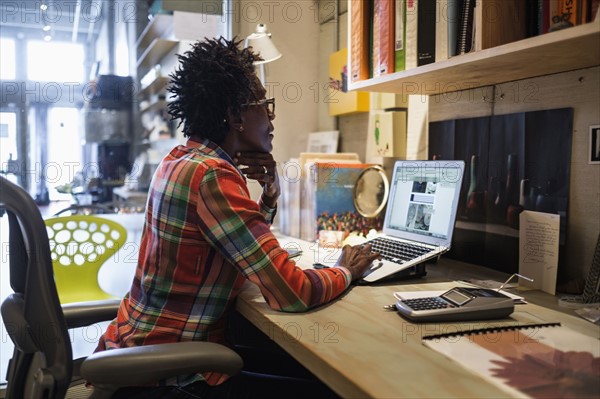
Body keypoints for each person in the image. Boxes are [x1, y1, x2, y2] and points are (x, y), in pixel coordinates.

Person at [94, 37, 379, 398]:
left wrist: (270, 195)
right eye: (264, 105)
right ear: (235, 115)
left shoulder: (180, 160)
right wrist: (346, 269)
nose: (272, 118)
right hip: (171, 375)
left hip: (148, 350)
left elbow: (235, 244)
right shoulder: (213, 175)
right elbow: (291, 293)